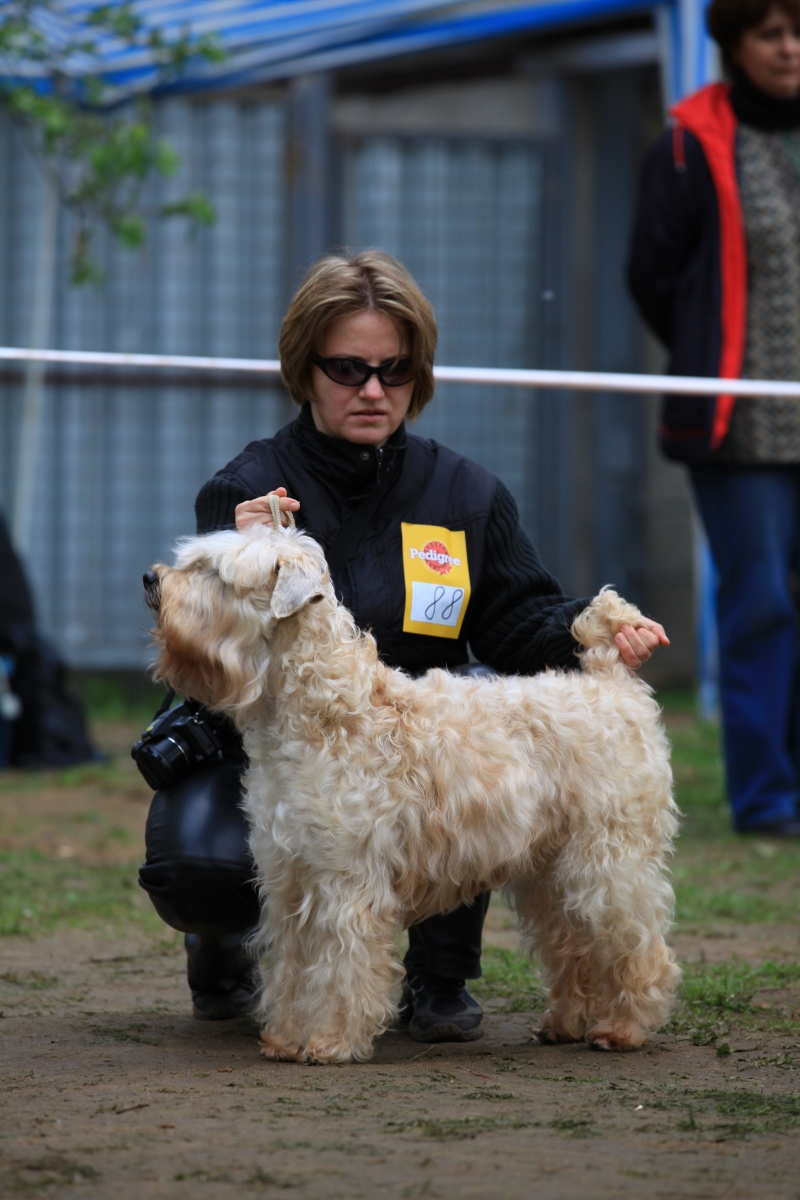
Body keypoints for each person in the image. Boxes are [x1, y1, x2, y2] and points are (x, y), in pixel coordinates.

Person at [139, 251, 668, 1036]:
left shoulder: (466, 495)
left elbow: (515, 621)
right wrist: (241, 543)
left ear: (418, 374)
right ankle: (224, 944)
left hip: (414, 747)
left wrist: (589, 625)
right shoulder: (251, 490)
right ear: (305, 369)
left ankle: (460, 977)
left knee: (491, 827)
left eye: (395, 369)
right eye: (348, 369)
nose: (374, 390)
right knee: (215, 862)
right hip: (266, 743)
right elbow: (207, 656)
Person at [628, 0, 800, 837]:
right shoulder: (689, 147)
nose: (790, 47)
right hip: (742, 431)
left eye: (799, 30)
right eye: (771, 32)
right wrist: (714, 356)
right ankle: (767, 797)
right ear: (733, 45)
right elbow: (652, 275)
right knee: (762, 603)